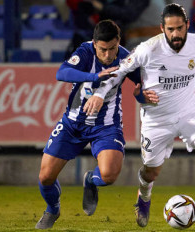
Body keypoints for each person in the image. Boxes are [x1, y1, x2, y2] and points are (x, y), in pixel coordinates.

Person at [83, 3, 195, 227]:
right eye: (170, 29)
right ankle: (143, 198)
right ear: (162, 28)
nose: (175, 34)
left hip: (188, 112)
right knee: (151, 172)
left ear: (187, 25)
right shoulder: (148, 49)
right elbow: (120, 71)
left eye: (179, 28)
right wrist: (100, 94)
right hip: (156, 120)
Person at [35, 19, 157, 230]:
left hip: (106, 126)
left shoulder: (127, 58)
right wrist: (94, 76)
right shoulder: (84, 51)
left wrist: (141, 97)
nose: (108, 55)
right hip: (73, 123)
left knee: (108, 175)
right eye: (103, 50)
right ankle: (52, 209)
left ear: (119, 41)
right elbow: (61, 73)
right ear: (94, 43)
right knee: (45, 176)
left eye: (112, 49)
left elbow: (141, 88)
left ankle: (91, 180)